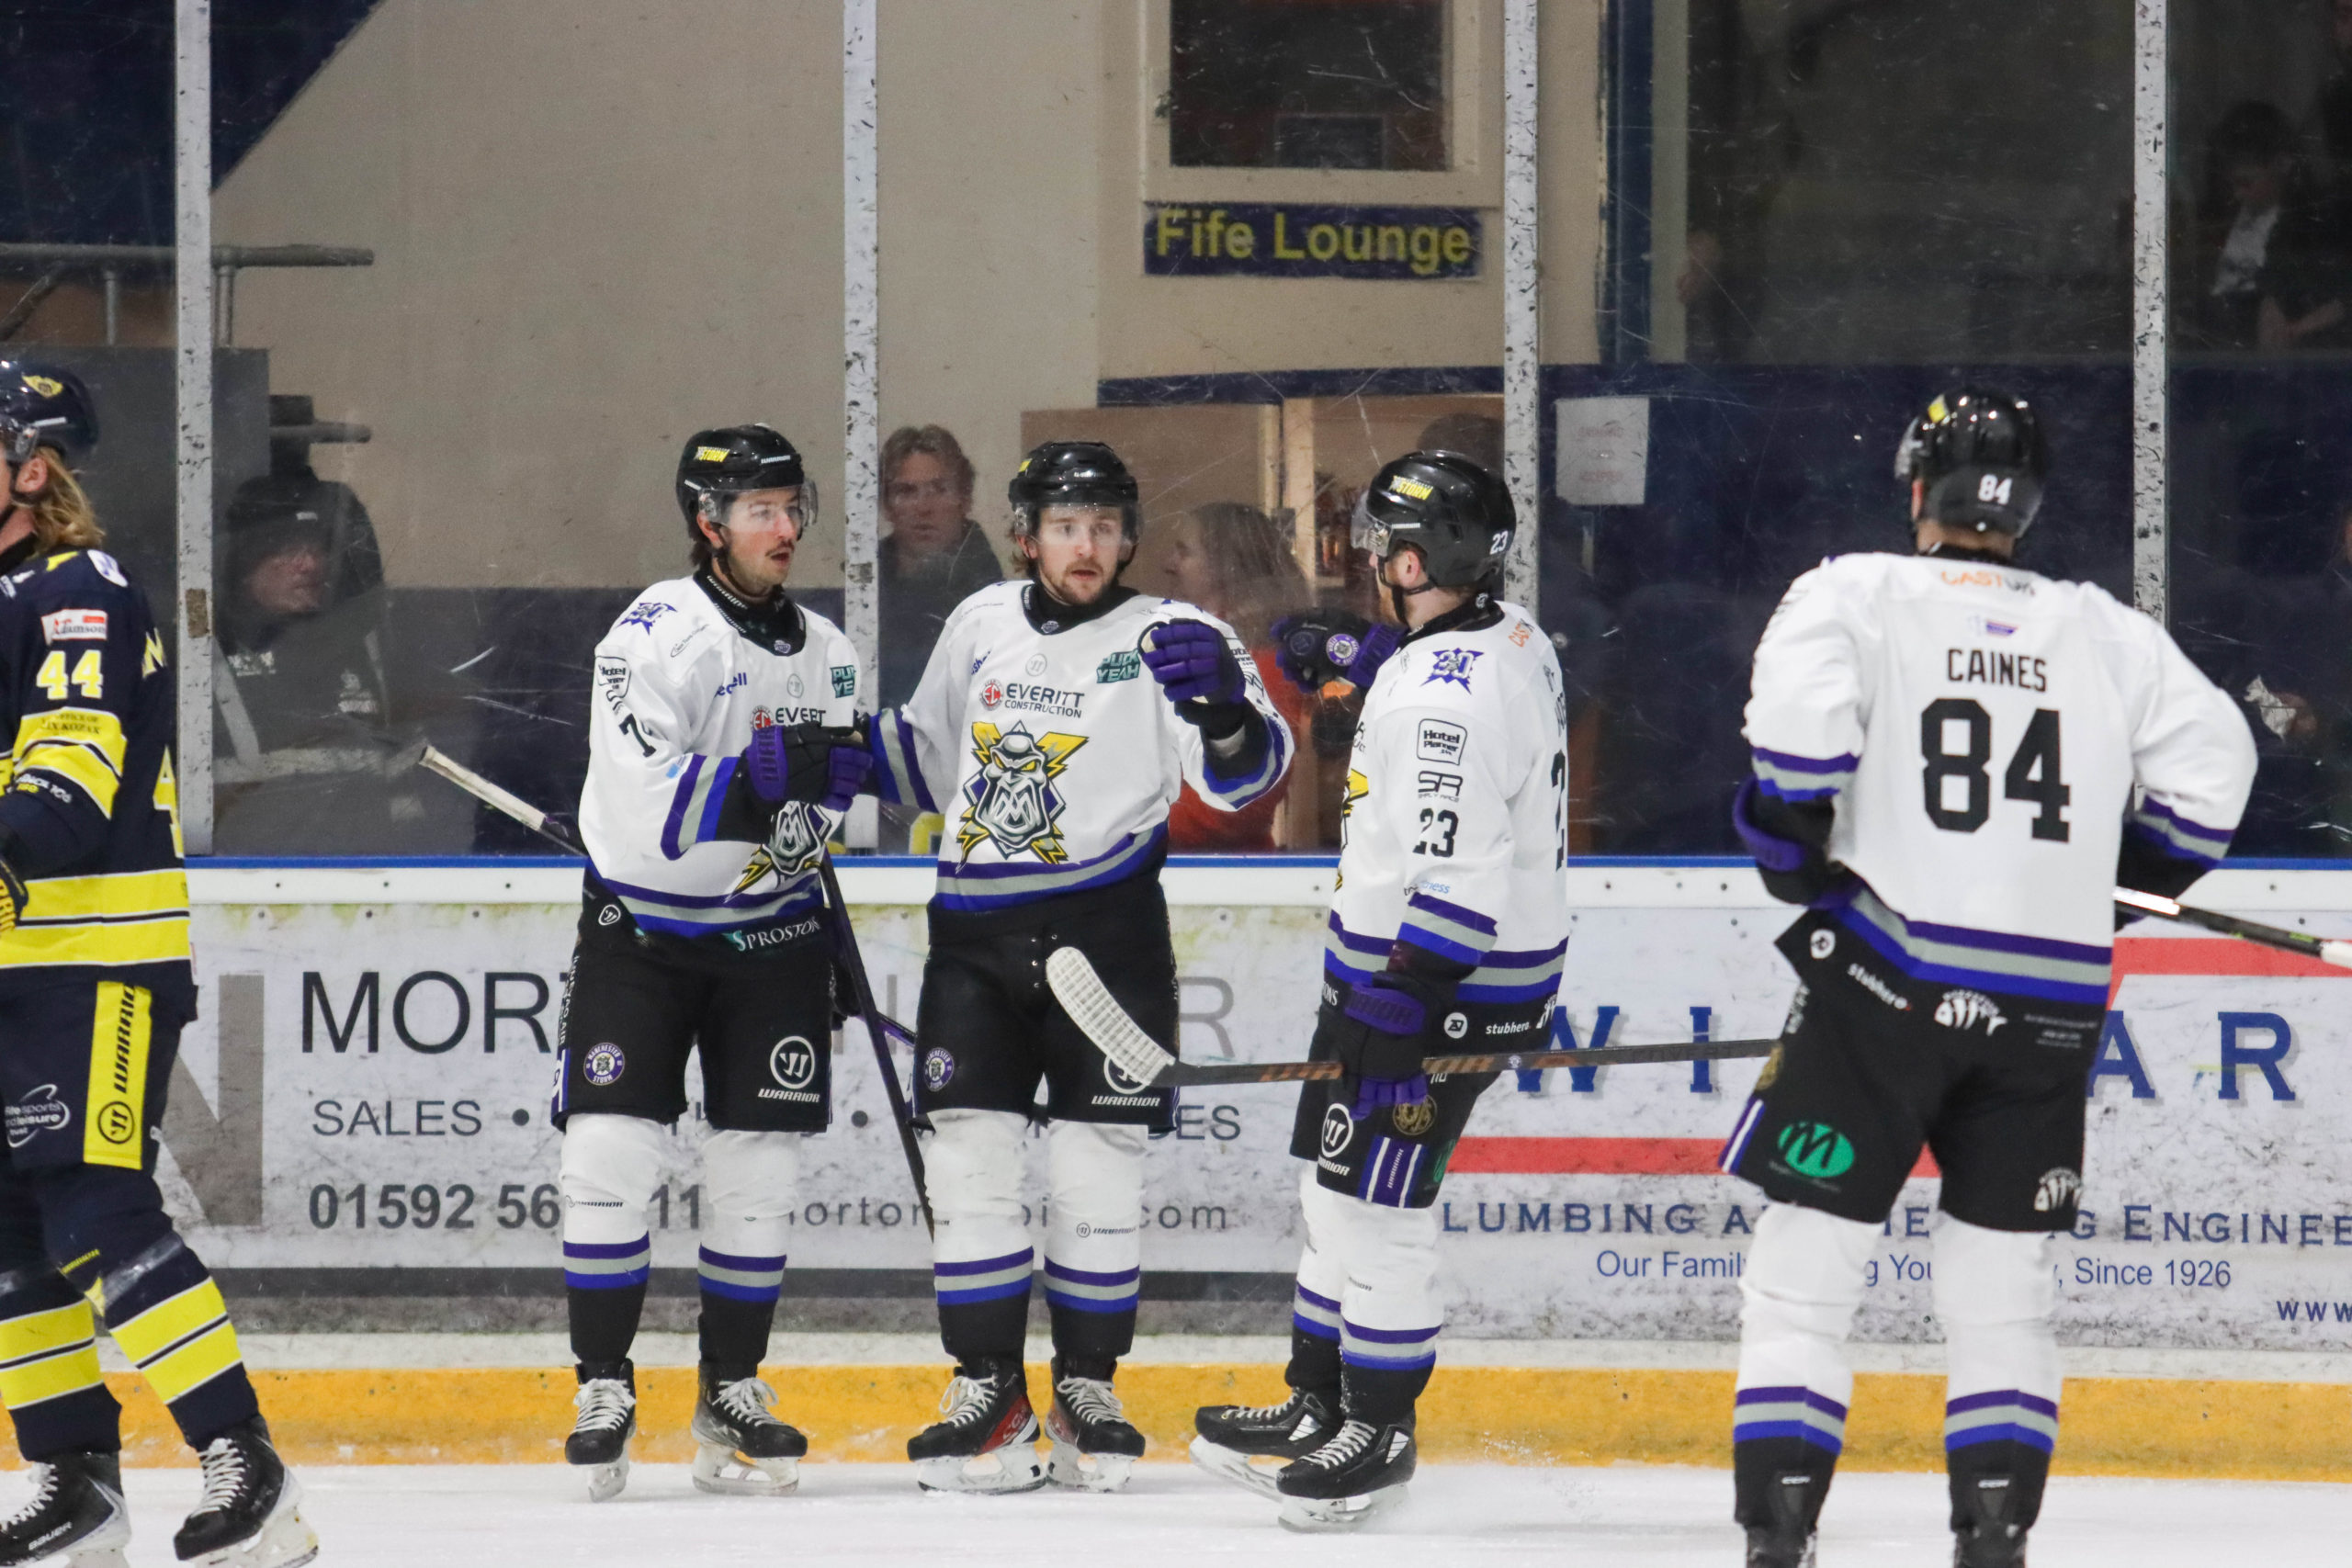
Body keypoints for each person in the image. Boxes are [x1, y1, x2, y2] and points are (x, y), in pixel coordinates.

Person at [1719, 389, 2256, 1567]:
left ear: (1916, 487)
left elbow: (1797, 757)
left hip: (1885, 989)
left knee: (1806, 1271)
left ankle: (1778, 1538)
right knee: (2002, 1283)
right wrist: (2115, 884)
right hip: (2046, 1006)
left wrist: (1797, 858)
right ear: (2028, 507)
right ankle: (1995, 1536)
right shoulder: (2105, 630)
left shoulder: (1854, 591)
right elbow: (2215, 775)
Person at [858, 440, 1291, 1494]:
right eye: (1064, 527)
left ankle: (1087, 1385)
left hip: (1109, 940)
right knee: (970, 1166)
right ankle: (987, 1389)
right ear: (1025, 537)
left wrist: (1227, 714)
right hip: (974, 942)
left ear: (1128, 537)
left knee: (1099, 1169)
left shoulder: (1177, 636)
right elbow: (924, 757)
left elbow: (1249, 780)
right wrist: (815, 756)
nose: (1085, 546)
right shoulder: (979, 623)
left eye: (1102, 527)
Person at [1191, 450, 1569, 1530]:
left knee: (1380, 1211)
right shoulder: (1509, 636)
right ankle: (1317, 1402)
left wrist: (1404, 1004)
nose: (1369, 563)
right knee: (1332, 1189)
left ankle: (1380, 1429)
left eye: (1383, 549)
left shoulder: (1445, 700)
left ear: (1415, 560)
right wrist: (1370, 658)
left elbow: (1457, 870)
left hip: (1432, 988)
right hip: (1395, 977)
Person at [0, 362, 318, 1567]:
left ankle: (247, 1459)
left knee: (95, 1210)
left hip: (94, 969)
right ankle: (75, 1480)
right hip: (12, 970)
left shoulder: (78, 592)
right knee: (10, 1236)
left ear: (32, 467)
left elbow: (65, 790)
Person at [553, 425, 871, 1502]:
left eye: (791, 508)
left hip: (772, 936)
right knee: (607, 1150)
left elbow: (818, 807)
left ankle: (731, 1387)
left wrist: (806, 828)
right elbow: (641, 800)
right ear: (708, 521)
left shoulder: (830, 651)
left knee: (760, 1170)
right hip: (640, 935)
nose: (784, 529)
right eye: (759, 511)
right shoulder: (653, 633)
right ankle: (603, 1385)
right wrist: (750, 783)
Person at [1155, 501, 1310, 849]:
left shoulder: (1264, 661)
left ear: (1226, 565)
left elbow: (1232, 809)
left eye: (1185, 551)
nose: (1169, 564)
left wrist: (1117, 826)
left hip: (1213, 871)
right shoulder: (1199, 643)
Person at [878, 424, 1005, 708]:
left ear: (965, 498)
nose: (924, 507)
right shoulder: (863, 591)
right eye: (906, 491)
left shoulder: (994, 601)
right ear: (886, 505)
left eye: (939, 489)